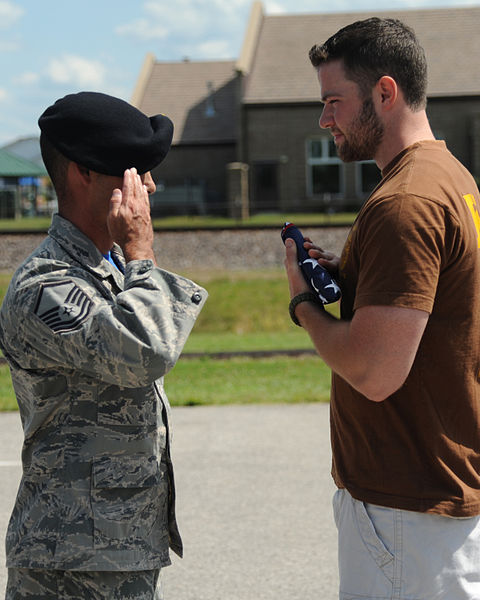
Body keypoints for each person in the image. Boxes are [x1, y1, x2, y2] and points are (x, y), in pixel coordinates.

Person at [283, 17, 480, 599]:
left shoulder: (405, 203)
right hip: (430, 504)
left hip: (407, 513)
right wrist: (348, 278)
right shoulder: (450, 177)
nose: (325, 120)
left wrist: (303, 304)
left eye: (334, 101)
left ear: (385, 93)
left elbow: (374, 371)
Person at [0, 91, 207, 599]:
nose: (150, 185)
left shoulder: (103, 269)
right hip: (70, 561)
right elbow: (146, 350)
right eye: (134, 170)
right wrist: (141, 252)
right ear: (82, 173)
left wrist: (131, 260)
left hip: (114, 548)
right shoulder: (43, 287)